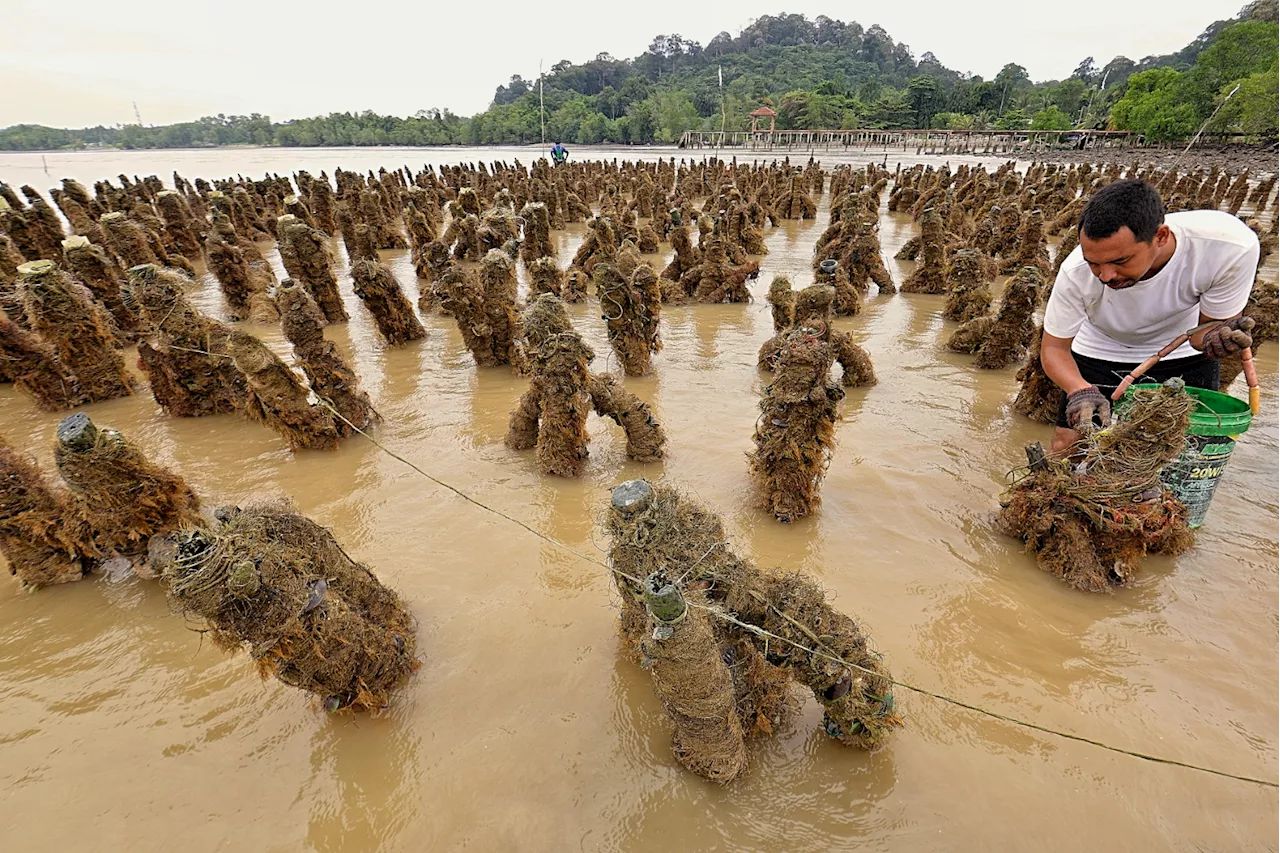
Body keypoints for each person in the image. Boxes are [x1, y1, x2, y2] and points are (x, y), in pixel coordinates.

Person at [1041, 179, 1259, 453]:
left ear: (1161, 237)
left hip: (1181, 353)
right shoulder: (1074, 273)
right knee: (1069, 444)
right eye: (1094, 263)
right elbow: (1053, 348)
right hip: (1100, 346)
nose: (1105, 276)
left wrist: (1217, 336)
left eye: (1120, 261)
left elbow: (1204, 334)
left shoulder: (1228, 247)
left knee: (1186, 450)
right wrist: (1078, 389)